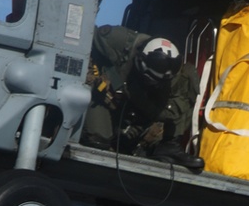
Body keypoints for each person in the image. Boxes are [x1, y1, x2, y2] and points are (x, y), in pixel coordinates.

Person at [83, 25, 204, 172]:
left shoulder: (177, 76)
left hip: (139, 107)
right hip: (103, 95)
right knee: (99, 139)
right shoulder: (118, 40)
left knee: (188, 78)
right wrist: (92, 75)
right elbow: (83, 38)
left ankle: (169, 146)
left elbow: (175, 110)